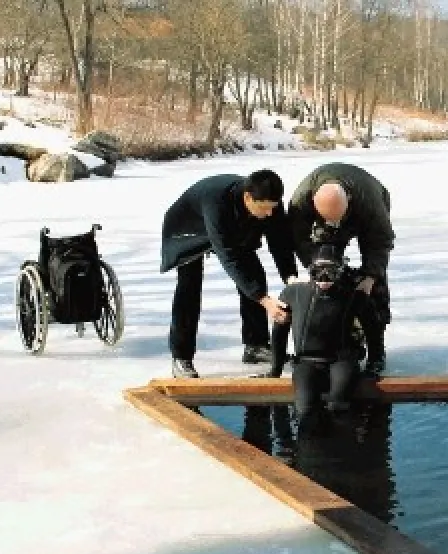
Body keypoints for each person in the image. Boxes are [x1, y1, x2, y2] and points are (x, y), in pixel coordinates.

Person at [160, 169, 298, 378]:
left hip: (235, 228)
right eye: (264, 208)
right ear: (248, 197)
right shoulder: (217, 203)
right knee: (189, 286)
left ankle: (256, 345)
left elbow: (280, 244)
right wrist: (263, 299)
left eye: (273, 208)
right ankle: (181, 357)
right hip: (188, 227)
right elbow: (229, 257)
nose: (270, 214)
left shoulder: (270, 205)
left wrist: (291, 278)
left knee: (255, 275)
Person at [287, 162, 394, 377]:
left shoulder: (369, 201)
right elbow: (297, 239)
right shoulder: (300, 201)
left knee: (373, 287)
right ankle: (331, 341)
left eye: (337, 220)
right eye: (329, 219)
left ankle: (376, 353)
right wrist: (318, 269)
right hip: (323, 218)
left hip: (367, 209)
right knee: (327, 268)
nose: (335, 225)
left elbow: (380, 242)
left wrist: (371, 276)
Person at [266, 244, 384, 433]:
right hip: (306, 361)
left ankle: (341, 452)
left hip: (342, 359)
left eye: (331, 273)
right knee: (304, 410)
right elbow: (279, 332)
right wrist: (276, 368)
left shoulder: (354, 295)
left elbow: (373, 330)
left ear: (340, 272)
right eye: (317, 273)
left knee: (339, 405)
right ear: (310, 272)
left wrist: (375, 362)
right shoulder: (295, 293)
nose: (324, 279)